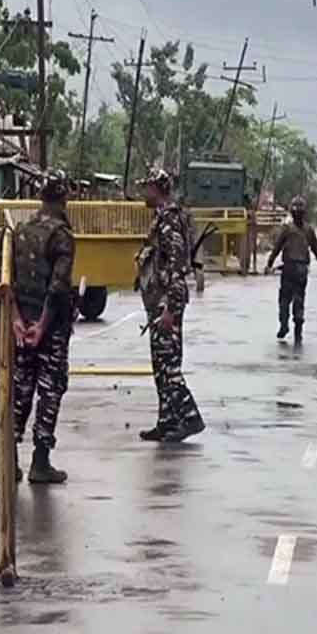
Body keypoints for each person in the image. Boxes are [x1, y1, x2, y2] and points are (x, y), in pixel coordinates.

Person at [12, 169, 75, 484]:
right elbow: (58, 285)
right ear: (64, 197)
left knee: (20, 388)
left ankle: (10, 461)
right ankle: (40, 461)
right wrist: (43, 324)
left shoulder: (21, 230)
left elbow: (9, 279)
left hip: (22, 325)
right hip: (49, 328)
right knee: (50, 390)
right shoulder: (61, 235)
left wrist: (17, 319)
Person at [135, 168, 205, 443]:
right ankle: (166, 421)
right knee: (159, 365)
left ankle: (190, 417)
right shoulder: (161, 218)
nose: (143, 192)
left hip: (167, 302)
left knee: (169, 365)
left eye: (147, 187)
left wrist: (170, 309)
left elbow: (177, 269)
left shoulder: (170, 221)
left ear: (157, 189)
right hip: (158, 301)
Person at [266, 196, 317, 345]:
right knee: (299, 299)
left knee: (284, 299)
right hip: (301, 270)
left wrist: (270, 263)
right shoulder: (308, 230)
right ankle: (298, 330)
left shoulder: (287, 229)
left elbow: (277, 247)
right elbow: (315, 248)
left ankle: (284, 324)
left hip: (289, 269)